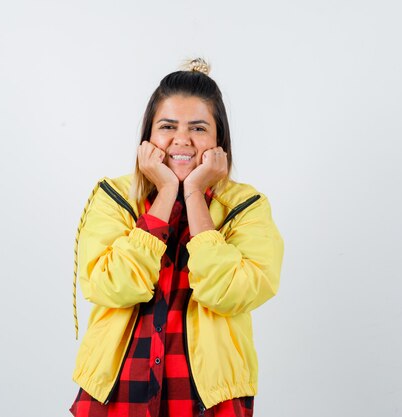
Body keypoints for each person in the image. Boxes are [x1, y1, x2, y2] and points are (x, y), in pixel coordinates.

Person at [69, 58, 284, 417]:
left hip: (209, 399)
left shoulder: (248, 207)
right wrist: (166, 191)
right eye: (167, 126)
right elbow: (108, 285)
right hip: (115, 392)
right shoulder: (113, 197)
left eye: (198, 128)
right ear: (148, 138)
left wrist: (195, 194)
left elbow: (232, 292)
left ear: (219, 141)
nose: (181, 139)